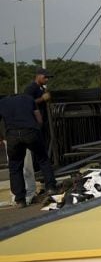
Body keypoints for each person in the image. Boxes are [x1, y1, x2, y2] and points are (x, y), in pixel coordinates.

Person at [0, 94, 58, 207]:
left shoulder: (2, 103)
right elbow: (39, 119)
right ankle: (51, 187)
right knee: (43, 159)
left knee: (15, 167)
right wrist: (36, 131)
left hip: (12, 135)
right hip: (31, 131)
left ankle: (20, 199)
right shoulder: (29, 98)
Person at [23, 67, 52, 199]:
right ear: (38, 76)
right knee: (39, 154)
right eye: (45, 77)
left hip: (42, 124)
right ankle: (42, 176)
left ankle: (47, 179)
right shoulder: (31, 89)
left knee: (44, 151)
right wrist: (42, 99)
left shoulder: (41, 89)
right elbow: (27, 104)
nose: (46, 80)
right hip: (35, 125)